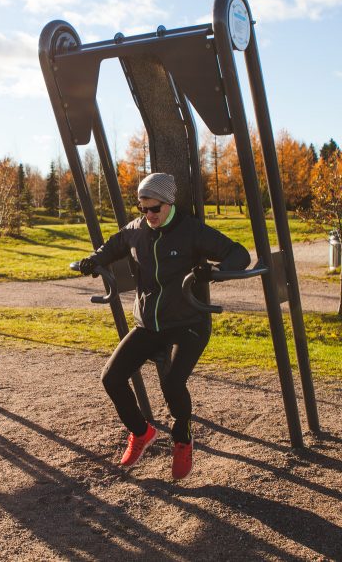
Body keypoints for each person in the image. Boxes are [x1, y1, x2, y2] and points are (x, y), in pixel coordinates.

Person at [76, 172, 250, 480]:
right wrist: (92, 260)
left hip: (189, 322)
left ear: (168, 203)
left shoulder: (191, 231)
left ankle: (182, 438)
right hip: (150, 324)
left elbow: (240, 254)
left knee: (171, 383)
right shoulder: (136, 231)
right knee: (111, 377)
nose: (149, 215)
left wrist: (214, 271)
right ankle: (141, 432)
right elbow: (111, 247)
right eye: (143, 209)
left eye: (154, 208)